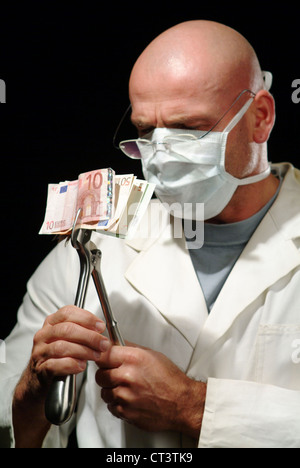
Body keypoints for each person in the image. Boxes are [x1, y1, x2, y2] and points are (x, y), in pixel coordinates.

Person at [1, 20, 300, 448]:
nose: (161, 157)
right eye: (145, 131)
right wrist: (31, 386)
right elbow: (14, 426)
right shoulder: (88, 249)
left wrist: (192, 406)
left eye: (190, 129)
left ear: (260, 117)